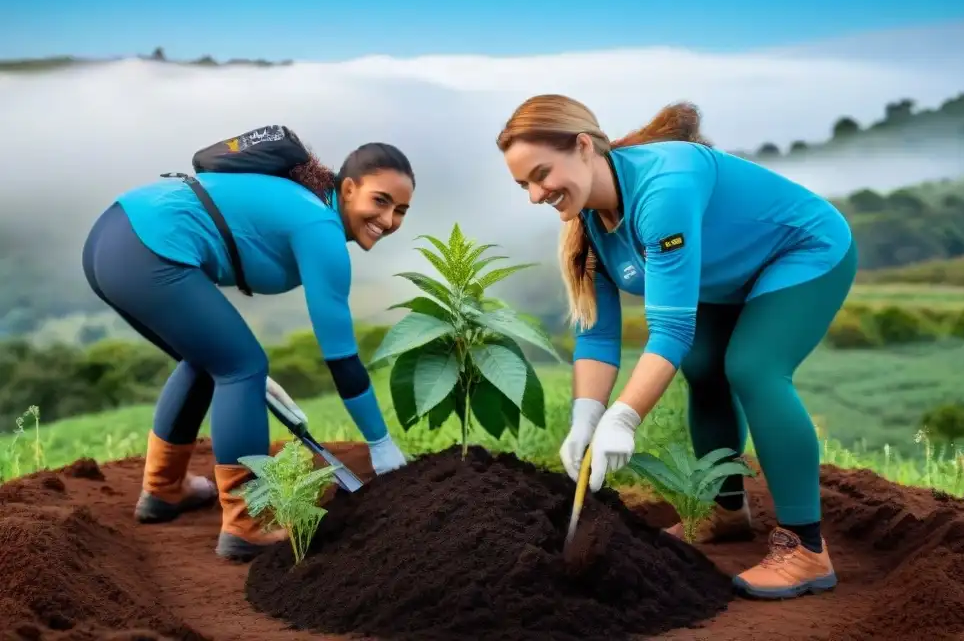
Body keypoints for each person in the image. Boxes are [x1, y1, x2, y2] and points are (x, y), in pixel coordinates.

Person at [497, 95, 857, 600]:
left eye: (541, 174)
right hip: (722, 275)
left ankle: (805, 550)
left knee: (753, 368)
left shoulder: (662, 189)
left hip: (803, 249)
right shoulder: (590, 221)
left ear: (582, 146)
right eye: (523, 186)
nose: (536, 195)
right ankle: (725, 510)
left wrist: (622, 419)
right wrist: (584, 419)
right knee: (703, 366)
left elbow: (668, 332)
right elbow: (597, 335)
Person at [81, 134, 415, 562]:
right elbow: (341, 357)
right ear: (348, 189)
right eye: (381, 201)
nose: (388, 219)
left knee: (209, 359)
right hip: (146, 248)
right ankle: (248, 522)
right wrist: (382, 445)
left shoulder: (305, 205)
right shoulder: (320, 226)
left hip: (114, 237)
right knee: (243, 367)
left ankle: (164, 491)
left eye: (400, 210)